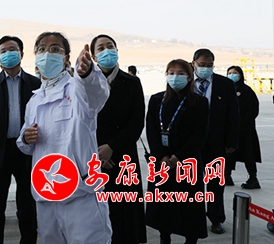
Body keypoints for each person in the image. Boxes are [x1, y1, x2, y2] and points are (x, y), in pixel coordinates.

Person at [17, 32, 111, 244]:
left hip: (80, 195)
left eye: (55, 49)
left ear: (66, 58)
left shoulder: (77, 89)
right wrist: (25, 137)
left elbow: (97, 92)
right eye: (41, 49)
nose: (47, 54)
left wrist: (87, 72)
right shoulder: (34, 100)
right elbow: (24, 145)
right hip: (46, 194)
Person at [0, 35, 40, 244]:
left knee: (27, 205)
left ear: (21, 54)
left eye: (12, 49)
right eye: (3, 51)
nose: (8, 54)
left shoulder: (35, 84)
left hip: (27, 151)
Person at [145, 59, 209, 244]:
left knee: (189, 207)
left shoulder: (199, 102)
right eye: (171, 73)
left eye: (180, 73)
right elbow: (151, 130)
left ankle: (191, 239)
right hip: (162, 163)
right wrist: (161, 156)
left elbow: (199, 135)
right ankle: (164, 237)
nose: (175, 77)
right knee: (163, 206)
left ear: (189, 77)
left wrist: (178, 157)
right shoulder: (156, 100)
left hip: (187, 162)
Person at [91, 34, 146, 244]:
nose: (106, 51)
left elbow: (136, 121)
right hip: (94, 157)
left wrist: (112, 147)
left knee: (125, 215)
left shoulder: (132, 82)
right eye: (100, 48)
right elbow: (82, 122)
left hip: (123, 156)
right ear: (94, 56)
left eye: (110, 46)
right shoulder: (86, 84)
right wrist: (98, 151)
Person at [192, 48, 239, 234]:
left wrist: (231, 141)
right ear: (194, 63)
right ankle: (193, 217)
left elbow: (233, 115)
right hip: (191, 143)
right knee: (191, 182)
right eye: (202, 65)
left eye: (209, 65)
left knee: (215, 183)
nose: (205, 68)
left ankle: (216, 218)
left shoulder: (224, 84)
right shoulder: (185, 82)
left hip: (217, 142)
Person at [224, 66, 261, 189]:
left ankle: (253, 178)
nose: (232, 75)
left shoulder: (246, 91)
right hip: (230, 129)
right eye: (229, 73)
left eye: (235, 73)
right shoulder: (226, 90)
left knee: (248, 153)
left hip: (245, 129)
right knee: (229, 152)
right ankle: (227, 176)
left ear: (240, 75)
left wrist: (242, 122)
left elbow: (253, 109)